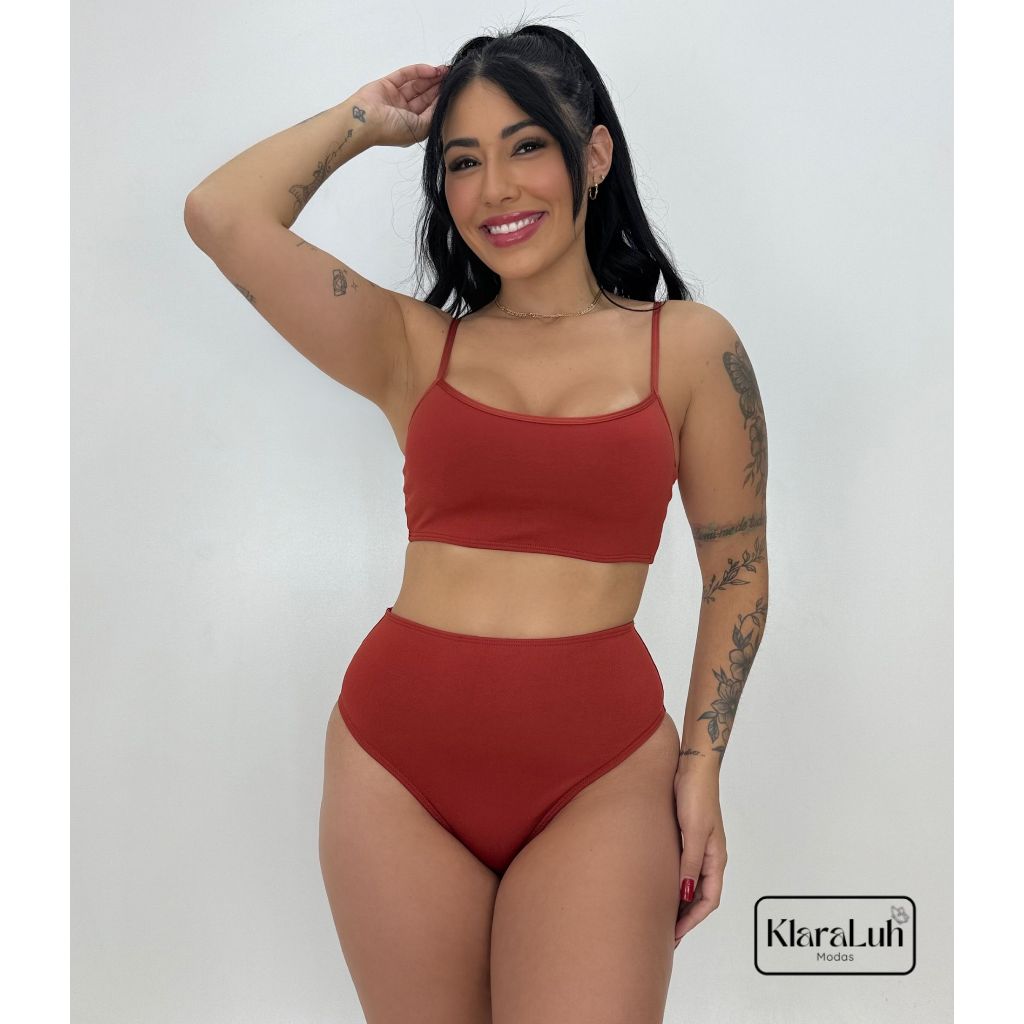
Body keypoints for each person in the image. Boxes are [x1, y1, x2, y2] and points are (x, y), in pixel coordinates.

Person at [183, 20, 769, 1024]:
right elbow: (221, 214)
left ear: (593, 154)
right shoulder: (413, 349)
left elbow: (738, 573)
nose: (495, 188)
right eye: (463, 161)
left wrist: (701, 771)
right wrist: (366, 119)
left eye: (526, 145)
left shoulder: (689, 348)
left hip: (599, 775)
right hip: (395, 771)